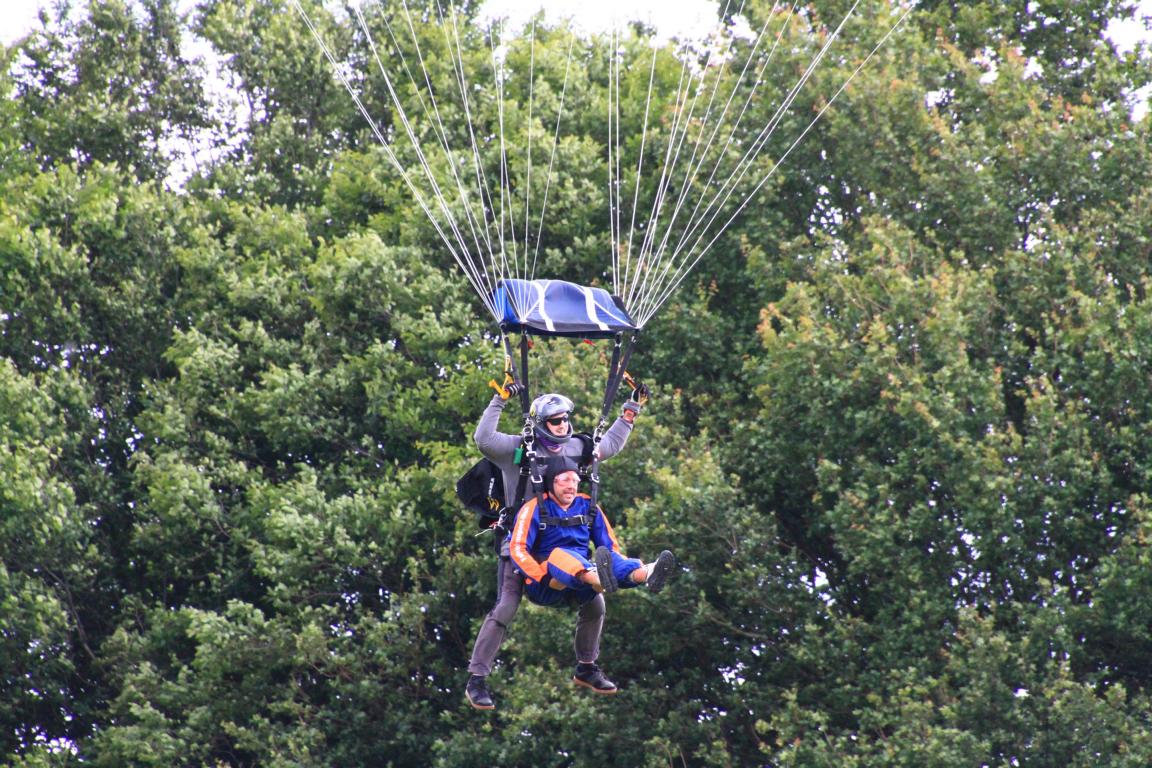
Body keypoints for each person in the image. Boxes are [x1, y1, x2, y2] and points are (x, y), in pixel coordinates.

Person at [465, 381, 648, 710]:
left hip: (562, 542)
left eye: (566, 419)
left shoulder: (578, 447)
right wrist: (499, 399)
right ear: (541, 423)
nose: (563, 425)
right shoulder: (518, 449)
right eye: (556, 421)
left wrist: (631, 409)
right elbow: (484, 440)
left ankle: (587, 667)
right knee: (506, 606)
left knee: (595, 604)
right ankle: (476, 679)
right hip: (522, 541)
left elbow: (609, 446)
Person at [508, 457, 677, 692]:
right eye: (565, 480)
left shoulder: (588, 505)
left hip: (581, 580)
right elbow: (517, 549)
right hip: (547, 581)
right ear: (551, 482)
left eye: (575, 481)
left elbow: (610, 547)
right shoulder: (534, 507)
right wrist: (541, 577)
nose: (571, 486)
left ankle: (644, 573)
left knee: (606, 581)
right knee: (561, 554)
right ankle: (598, 579)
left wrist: (618, 566)